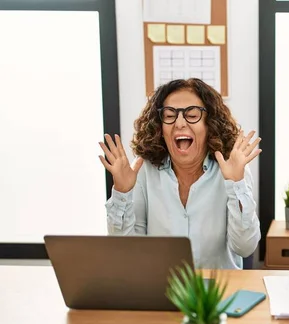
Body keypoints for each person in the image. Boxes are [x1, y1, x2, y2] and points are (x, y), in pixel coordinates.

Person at [98, 78, 261, 270]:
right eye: (169, 115)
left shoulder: (232, 169)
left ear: (210, 124)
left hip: (219, 293)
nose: (180, 123)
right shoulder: (143, 170)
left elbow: (245, 247)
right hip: (160, 291)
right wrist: (122, 192)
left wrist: (236, 185)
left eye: (192, 114)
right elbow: (126, 251)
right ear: (160, 127)